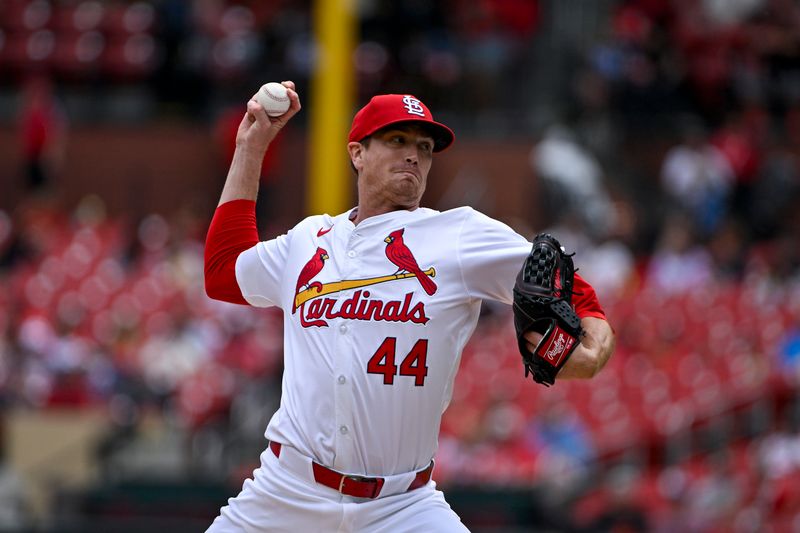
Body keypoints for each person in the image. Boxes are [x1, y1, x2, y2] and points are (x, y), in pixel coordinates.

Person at [203, 82, 616, 532]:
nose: (413, 155)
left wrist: (592, 351)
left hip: (401, 507)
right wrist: (250, 147)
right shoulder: (308, 240)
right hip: (286, 494)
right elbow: (224, 271)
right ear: (357, 153)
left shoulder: (458, 236)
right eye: (396, 141)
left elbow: (573, 290)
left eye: (423, 146)